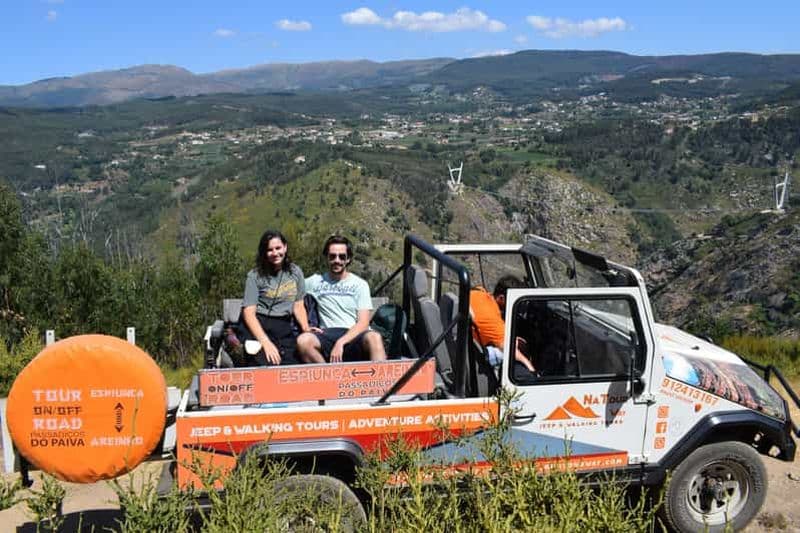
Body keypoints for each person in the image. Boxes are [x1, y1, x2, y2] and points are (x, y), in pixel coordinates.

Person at [296, 235, 386, 363]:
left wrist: (341, 342)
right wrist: (305, 326)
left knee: (374, 338)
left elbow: (363, 322)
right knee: (303, 341)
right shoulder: (315, 281)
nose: (337, 260)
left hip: (353, 333)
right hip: (326, 334)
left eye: (341, 256)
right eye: (332, 256)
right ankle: (327, 379)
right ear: (326, 258)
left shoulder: (359, 284)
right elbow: (293, 295)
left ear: (348, 259)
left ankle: (381, 381)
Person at [240, 230, 310, 366]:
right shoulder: (254, 276)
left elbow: (298, 305)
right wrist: (265, 343)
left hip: (284, 327)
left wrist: (306, 328)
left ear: (285, 247)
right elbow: (248, 313)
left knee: (292, 365)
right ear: (264, 253)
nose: (275, 253)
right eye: (270, 250)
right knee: (267, 365)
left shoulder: (295, 272)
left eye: (278, 248)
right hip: (259, 325)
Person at [469, 275, 536, 374]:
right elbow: (509, 349)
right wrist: (530, 368)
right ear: (501, 298)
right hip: (477, 355)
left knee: (520, 342)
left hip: (472, 343)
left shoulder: (478, 291)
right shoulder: (492, 320)